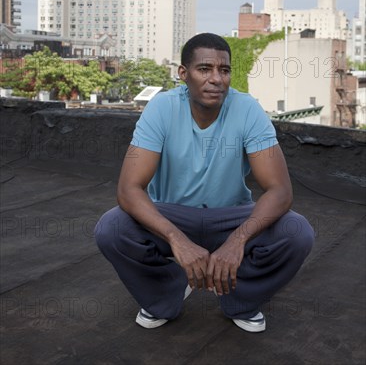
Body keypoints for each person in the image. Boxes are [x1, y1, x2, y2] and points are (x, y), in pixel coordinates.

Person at [95, 33, 314, 333]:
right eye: (204, 69)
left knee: (298, 232)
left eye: (223, 70)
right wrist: (177, 239)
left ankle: (239, 297)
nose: (216, 79)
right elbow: (129, 189)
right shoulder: (162, 108)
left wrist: (236, 241)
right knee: (111, 227)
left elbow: (280, 190)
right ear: (183, 74)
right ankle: (165, 292)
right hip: (171, 213)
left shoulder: (247, 109)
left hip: (229, 215)